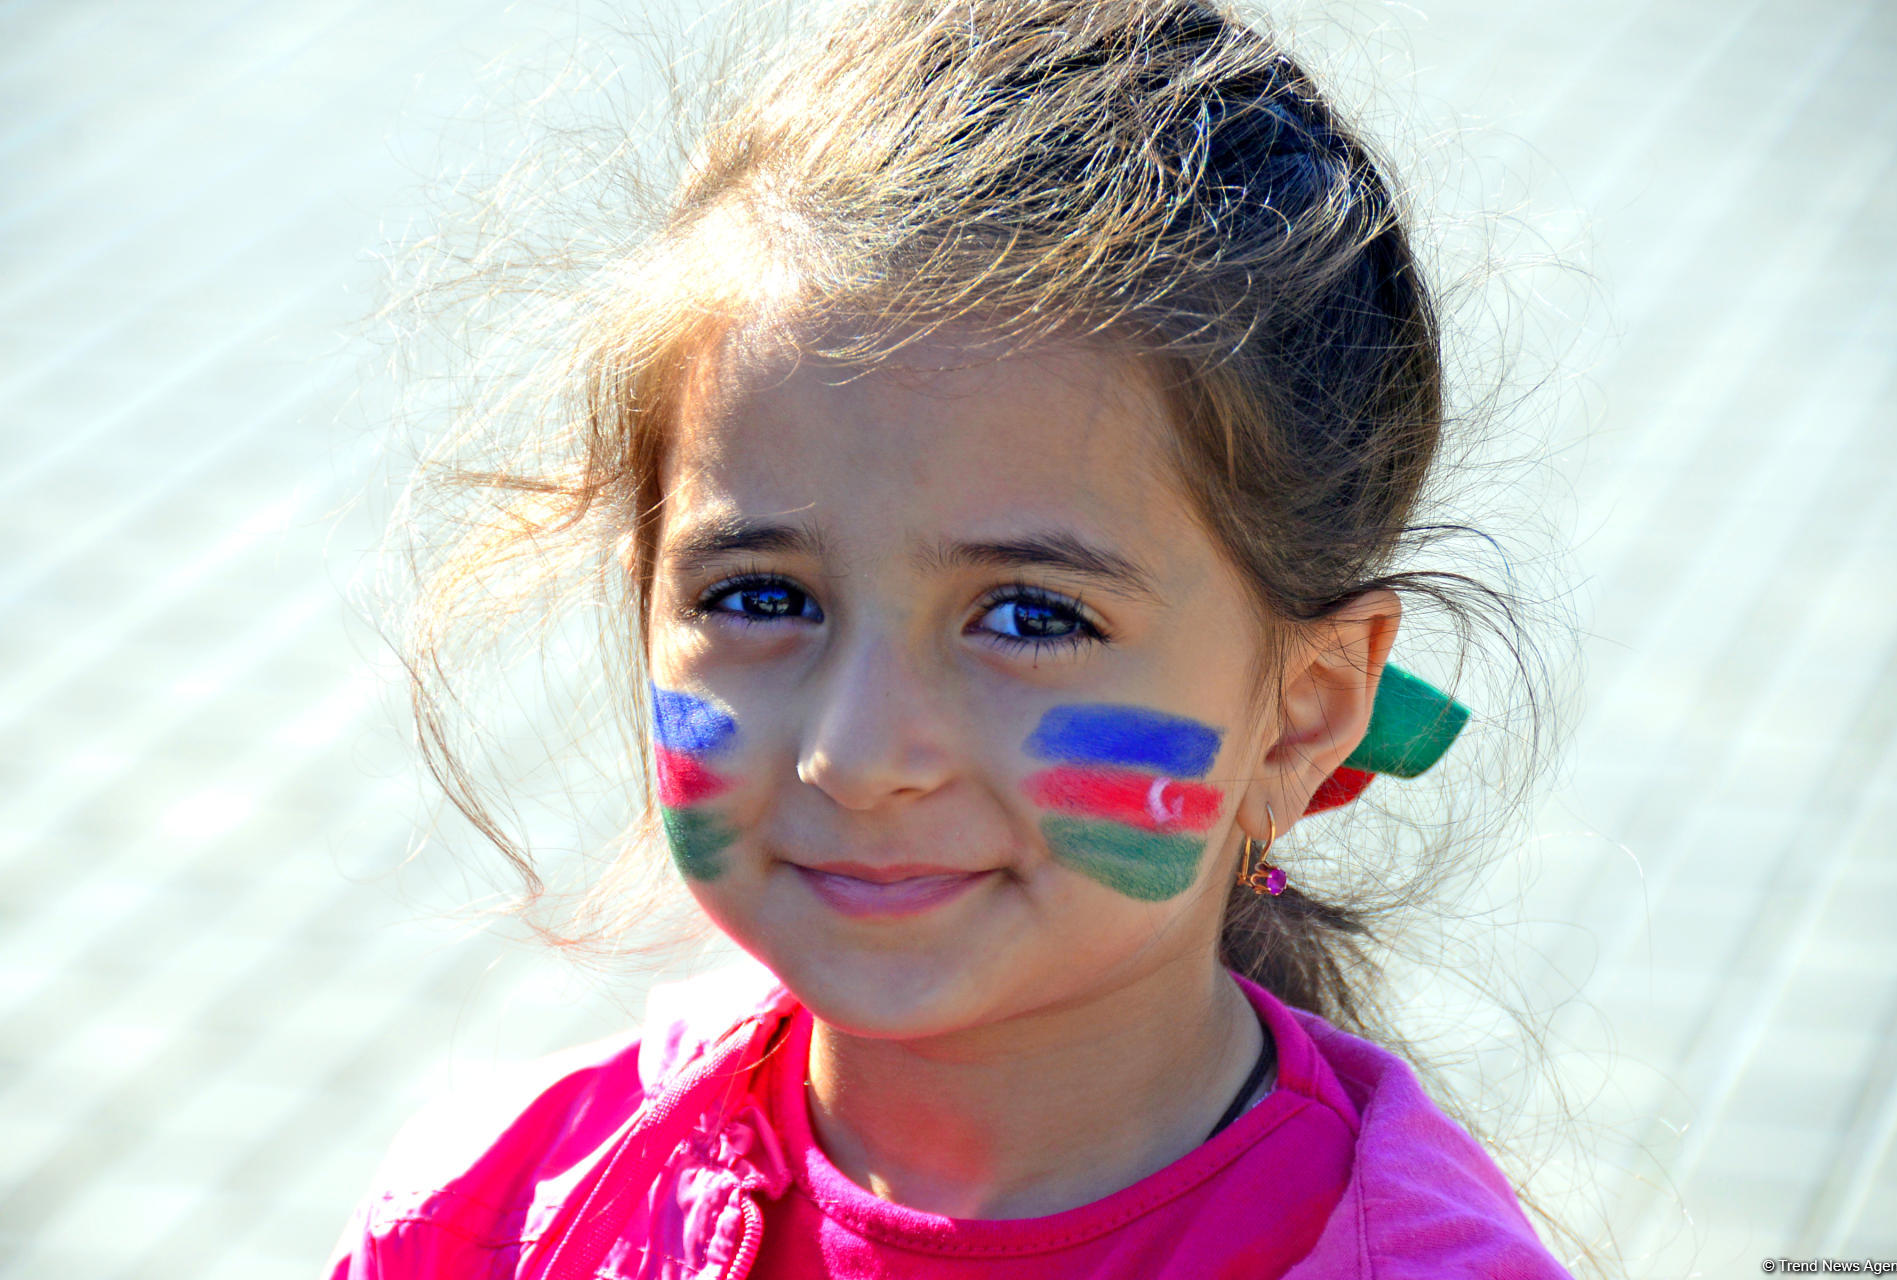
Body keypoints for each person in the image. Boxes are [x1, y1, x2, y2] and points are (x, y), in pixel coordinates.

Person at [330, 0, 1579, 1274]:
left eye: (1032, 615)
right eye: (761, 596)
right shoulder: (487, 1221)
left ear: (1305, 709)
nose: (859, 753)